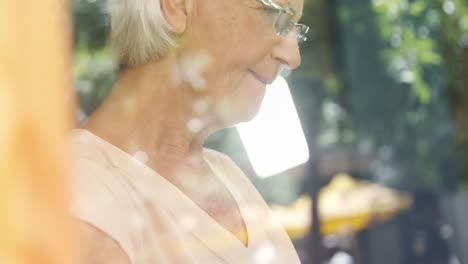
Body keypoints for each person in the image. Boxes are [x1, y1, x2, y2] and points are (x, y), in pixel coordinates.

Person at [71, 0, 308, 263]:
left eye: (295, 28)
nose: (292, 57)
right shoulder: (79, 195)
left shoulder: (226, 173)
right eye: (275, 14)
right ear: (178, 6)